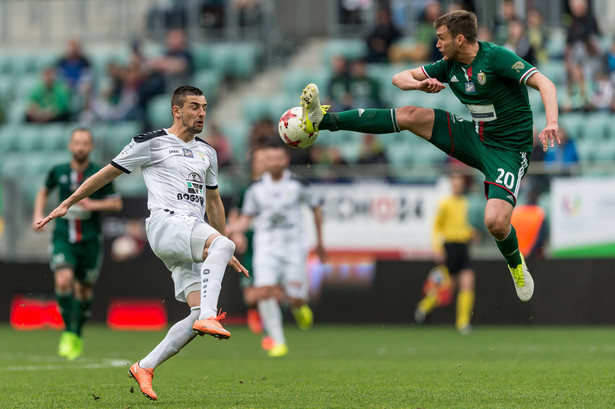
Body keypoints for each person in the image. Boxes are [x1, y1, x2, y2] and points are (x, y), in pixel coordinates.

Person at [297, 10, 560, 303]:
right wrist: (419, 84)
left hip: (509, 151)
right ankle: (323, 120)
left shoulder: (496, 57)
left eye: (441, 38)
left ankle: (515, 263)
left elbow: (545, 83)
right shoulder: (449, 65)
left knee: (496, 222)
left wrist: (551, 122)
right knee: (411, 114)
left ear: (460, 40)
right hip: (475, 137)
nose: (437, 44)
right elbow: (399, 78)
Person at [36, 86, 248, 401]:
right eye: (194, 107)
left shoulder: (208, 152)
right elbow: (106, 174)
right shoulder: (151, 143)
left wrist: (219, 244)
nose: (201, 113)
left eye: (204, 107)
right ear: (176, 110)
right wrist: (69, 201)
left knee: (195, 314)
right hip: (165, 224)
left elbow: (214, 201)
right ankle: (208, 314)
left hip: (189, 233)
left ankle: (145, 366)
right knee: (218, 269)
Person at [32, 128, 123, 360]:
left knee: (83, 289)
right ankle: (68, 332)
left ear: (91, 147)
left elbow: (116, 204)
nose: (81, 147)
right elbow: (43, 191)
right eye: (77, 143)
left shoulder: (99, 173)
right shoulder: (59, 171)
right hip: (63, 236)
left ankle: (78, 332)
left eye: (85, 143)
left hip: (90, 240)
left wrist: (95, 206)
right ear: (70, 146)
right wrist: (38, 214)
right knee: (63, 280)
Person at [230, 143, 326, 357]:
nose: (272, 162)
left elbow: (316, 207)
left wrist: (320, 242)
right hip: (266, 246)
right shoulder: (256, 189)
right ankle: (277, 340)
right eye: (269, 159)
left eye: (276, 158)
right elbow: (245, 219)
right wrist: (228, 230)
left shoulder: (298, 184)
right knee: (264, 290)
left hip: (293, 246)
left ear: (285, 160)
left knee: (295, 297)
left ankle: (299, 305)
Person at [414, 171, 476, 334]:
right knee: (448, 288)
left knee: (468, 281)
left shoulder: (464, 202)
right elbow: (436, 226)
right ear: (451, 182)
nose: (457, 183)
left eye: (460, 180)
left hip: (463, 246)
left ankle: (462, 323)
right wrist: (437, 248)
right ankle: (424, 306)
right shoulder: (444, 203)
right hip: (449, 247)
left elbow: (461, 225)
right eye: (455, 180)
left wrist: (471, 233)